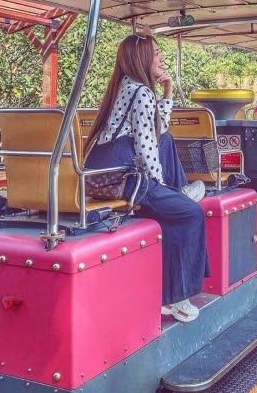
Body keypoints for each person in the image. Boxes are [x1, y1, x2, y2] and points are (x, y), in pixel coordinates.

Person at [84, 33, 209, 322]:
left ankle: (179, 191)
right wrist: (159, 186)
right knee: (191, 214)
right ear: (141, 58)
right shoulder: (140, 92)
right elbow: (145, 146)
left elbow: (158, 130)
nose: (162, 58)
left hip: (109, 172)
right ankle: (178, 300)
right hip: (127, 178)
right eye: (156, 53)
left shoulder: (127, 87)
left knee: (167, 140)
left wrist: (167, 90)